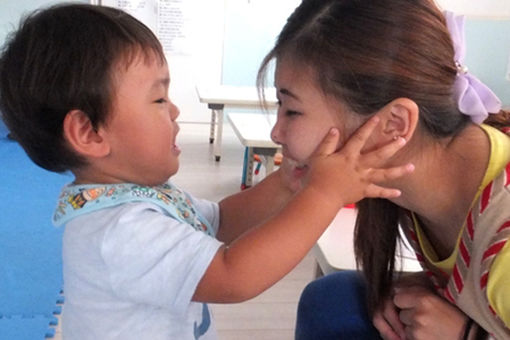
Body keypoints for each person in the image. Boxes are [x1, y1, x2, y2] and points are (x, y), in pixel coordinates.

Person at [0, 4, 414, 340]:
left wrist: (286, 187)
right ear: (89, 132)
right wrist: (321, 196)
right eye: (159, 98)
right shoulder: (118, 230)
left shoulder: (134, 197)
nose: (176, 110)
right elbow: (234, 275)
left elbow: (217, 222)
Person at [256, 0, 510, 339]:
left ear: (393, 124)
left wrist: (467, 334)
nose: (276, 133)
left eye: (292, 111)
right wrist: (433, 288)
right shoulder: (416, 174)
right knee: (333, 302)